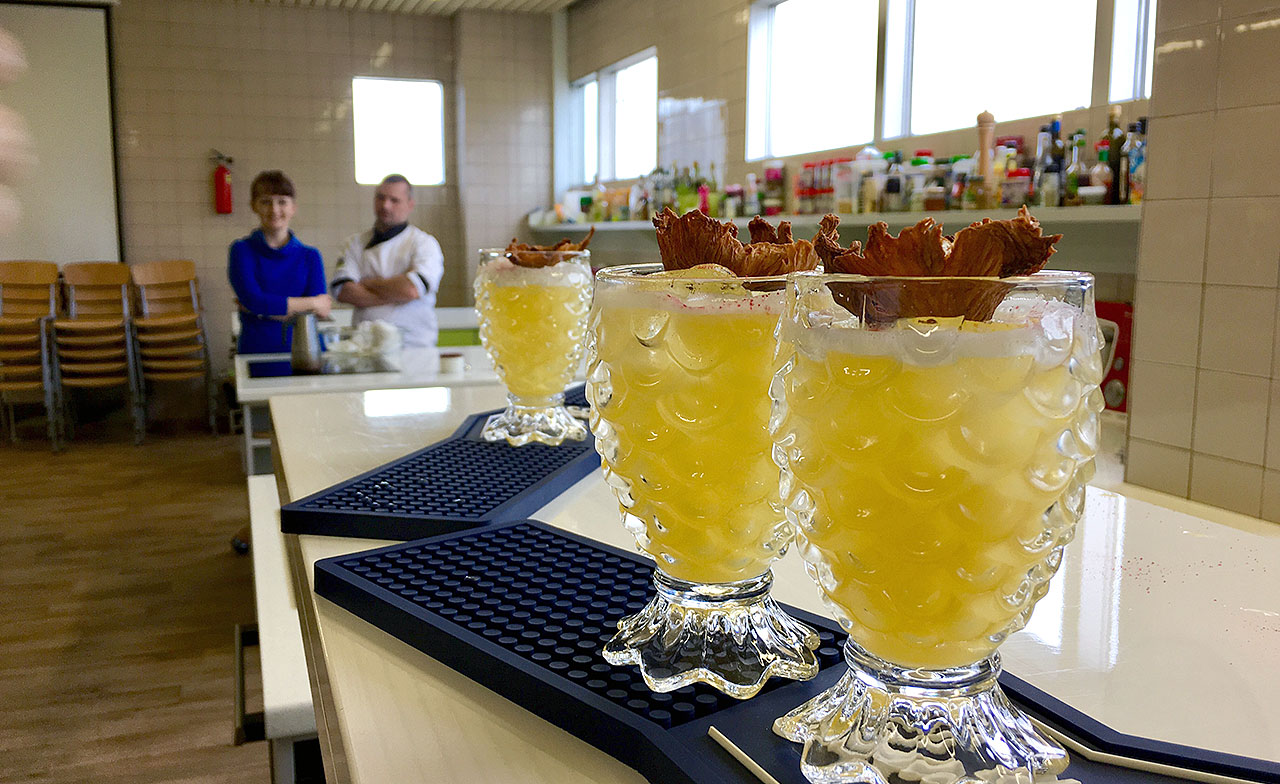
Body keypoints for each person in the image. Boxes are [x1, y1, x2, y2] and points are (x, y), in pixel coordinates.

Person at [331, 173, 444, 347]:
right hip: (364, 348)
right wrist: (397, 292)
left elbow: (411, 289)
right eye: (380, 198)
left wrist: (367, 283)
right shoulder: (353, 244)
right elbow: (343, 291)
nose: (385, 205)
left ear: (410, 204)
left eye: (394, 200)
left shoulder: (424, 244)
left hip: (414, 346)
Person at [227, 170, 331, 354]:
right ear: (253, 206)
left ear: (293, 208)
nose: (274, 210)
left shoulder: (310, 256)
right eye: (266, 202)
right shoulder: (241, 250)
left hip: (306, 351)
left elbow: (320, 311)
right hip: (257, 351)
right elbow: (253, 300)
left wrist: (261, 310)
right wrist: (312, 302)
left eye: (282, 202)